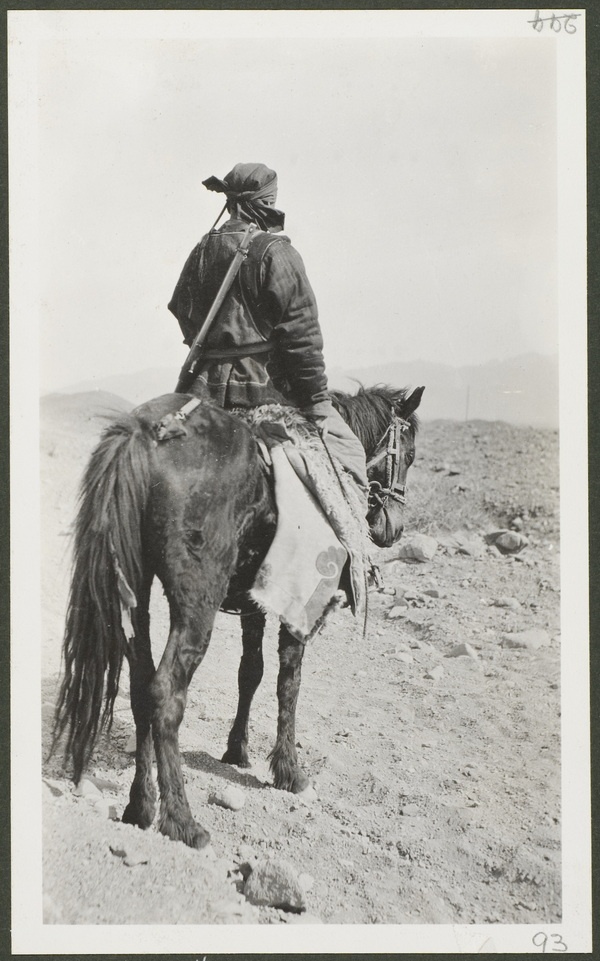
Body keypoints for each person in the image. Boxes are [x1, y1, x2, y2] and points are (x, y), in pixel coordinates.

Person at [168, 162, 368, 490]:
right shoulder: (277, 252)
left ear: (230, 202)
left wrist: (216, 346)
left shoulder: (202, 249)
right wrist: (317, 401)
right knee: (348, 453)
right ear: (267, 203)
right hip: (261, 389)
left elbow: (181, 308)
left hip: (201, 386)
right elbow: (302, 336)